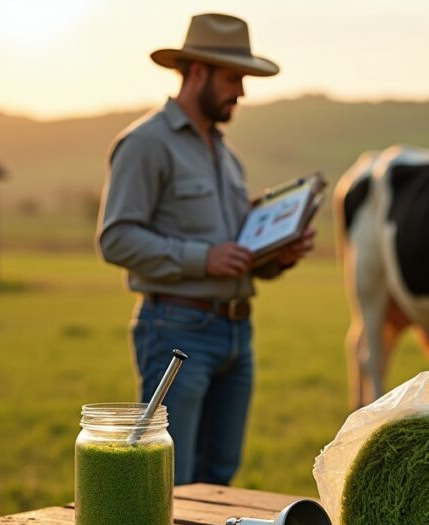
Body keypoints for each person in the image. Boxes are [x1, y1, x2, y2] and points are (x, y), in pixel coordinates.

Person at [96, 13, 315, 486]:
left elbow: (236, 253)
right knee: (172, 480)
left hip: (238, 333)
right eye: (234, 77)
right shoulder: (144, 143)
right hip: (178, 332)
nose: (242, 91)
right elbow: (115, 238)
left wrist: (278, 257)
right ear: (197, 72)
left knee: (218, 483)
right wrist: (203, 257)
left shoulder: (227, 158)